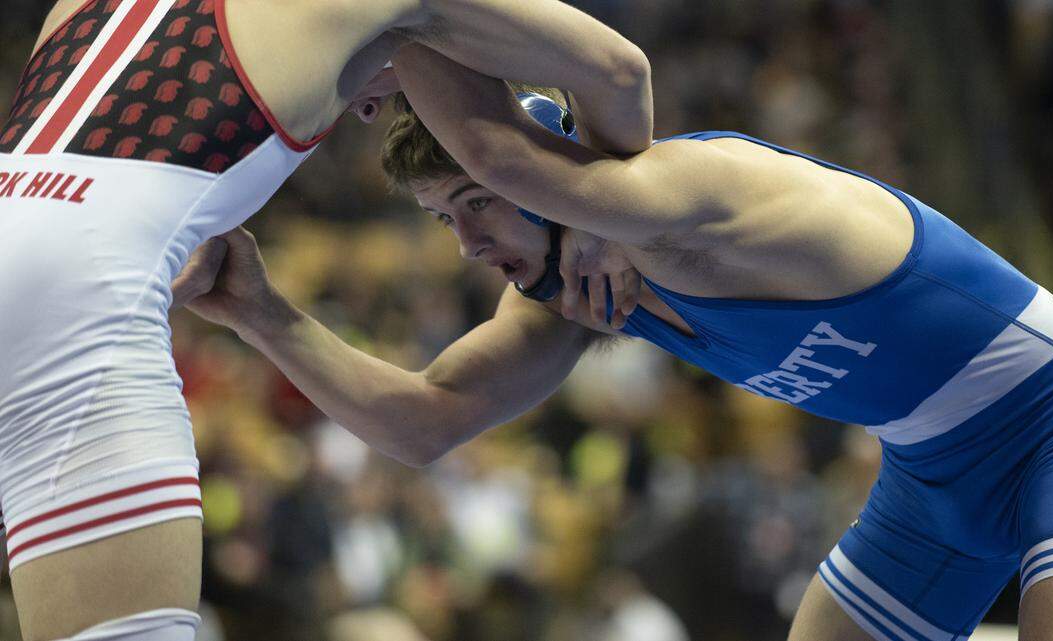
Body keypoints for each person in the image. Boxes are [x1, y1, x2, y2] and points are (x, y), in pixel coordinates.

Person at [174, 45, 1053, 641]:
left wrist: (389, 24)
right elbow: (427, 422)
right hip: (931, 485)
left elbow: (554, 125)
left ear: (549, 162)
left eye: (473, 204)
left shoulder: (693, 191)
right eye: (442, 220)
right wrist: (264, 313)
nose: (468, 244)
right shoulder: (576, 290)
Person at [0, 1, 651, 639]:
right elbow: (619, 70)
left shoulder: (77, 7)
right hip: (80, 296)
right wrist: (597, 216)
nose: (367, 112)